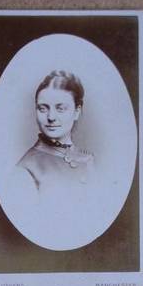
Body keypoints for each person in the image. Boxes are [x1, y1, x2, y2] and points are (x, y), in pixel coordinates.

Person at [17, 70, 94, 203]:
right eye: (43, 108)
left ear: (77, 111)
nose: (51, 117)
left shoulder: (88, 159)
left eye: (60, 108)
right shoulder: (25, 170)